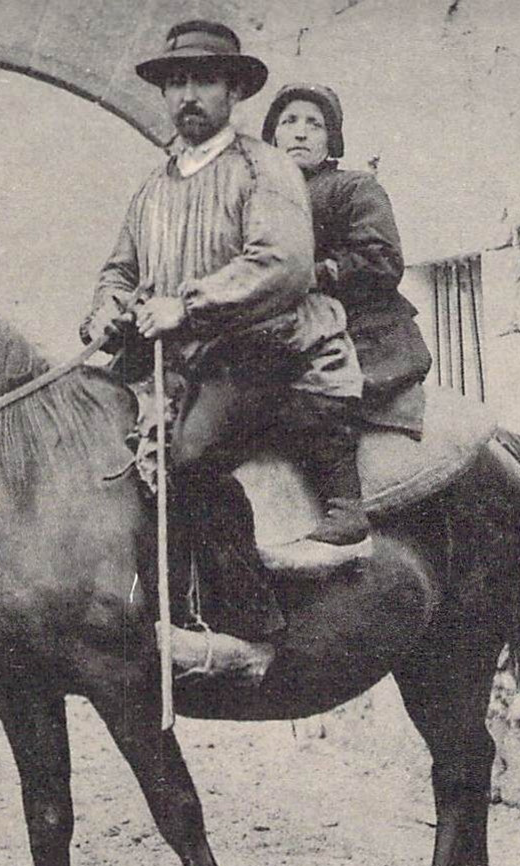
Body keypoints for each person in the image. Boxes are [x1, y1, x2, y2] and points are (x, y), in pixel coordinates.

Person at [82, 20, 369, 670]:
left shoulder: (262, 169)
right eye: (175, 81)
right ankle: (150, 613)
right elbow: (120, 270)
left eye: (203, 80)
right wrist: (105, 313)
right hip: (178, 363)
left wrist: (184, 305)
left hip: (264, 353)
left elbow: (282, 265)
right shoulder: (153, 189)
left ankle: (250, 632)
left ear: (232, 90)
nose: (187, 94)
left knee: (184, 456)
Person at [263, 83, 432, 434]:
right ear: (274, 135)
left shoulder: (354, 188)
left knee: (317, 420)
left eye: (315, 124)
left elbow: (382, 260)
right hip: (285, 341)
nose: (300, 132)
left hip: (362, 340)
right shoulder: (257, 204)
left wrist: (311, 275)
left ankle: (344, 492)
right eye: (289, 121)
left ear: (330, 140)